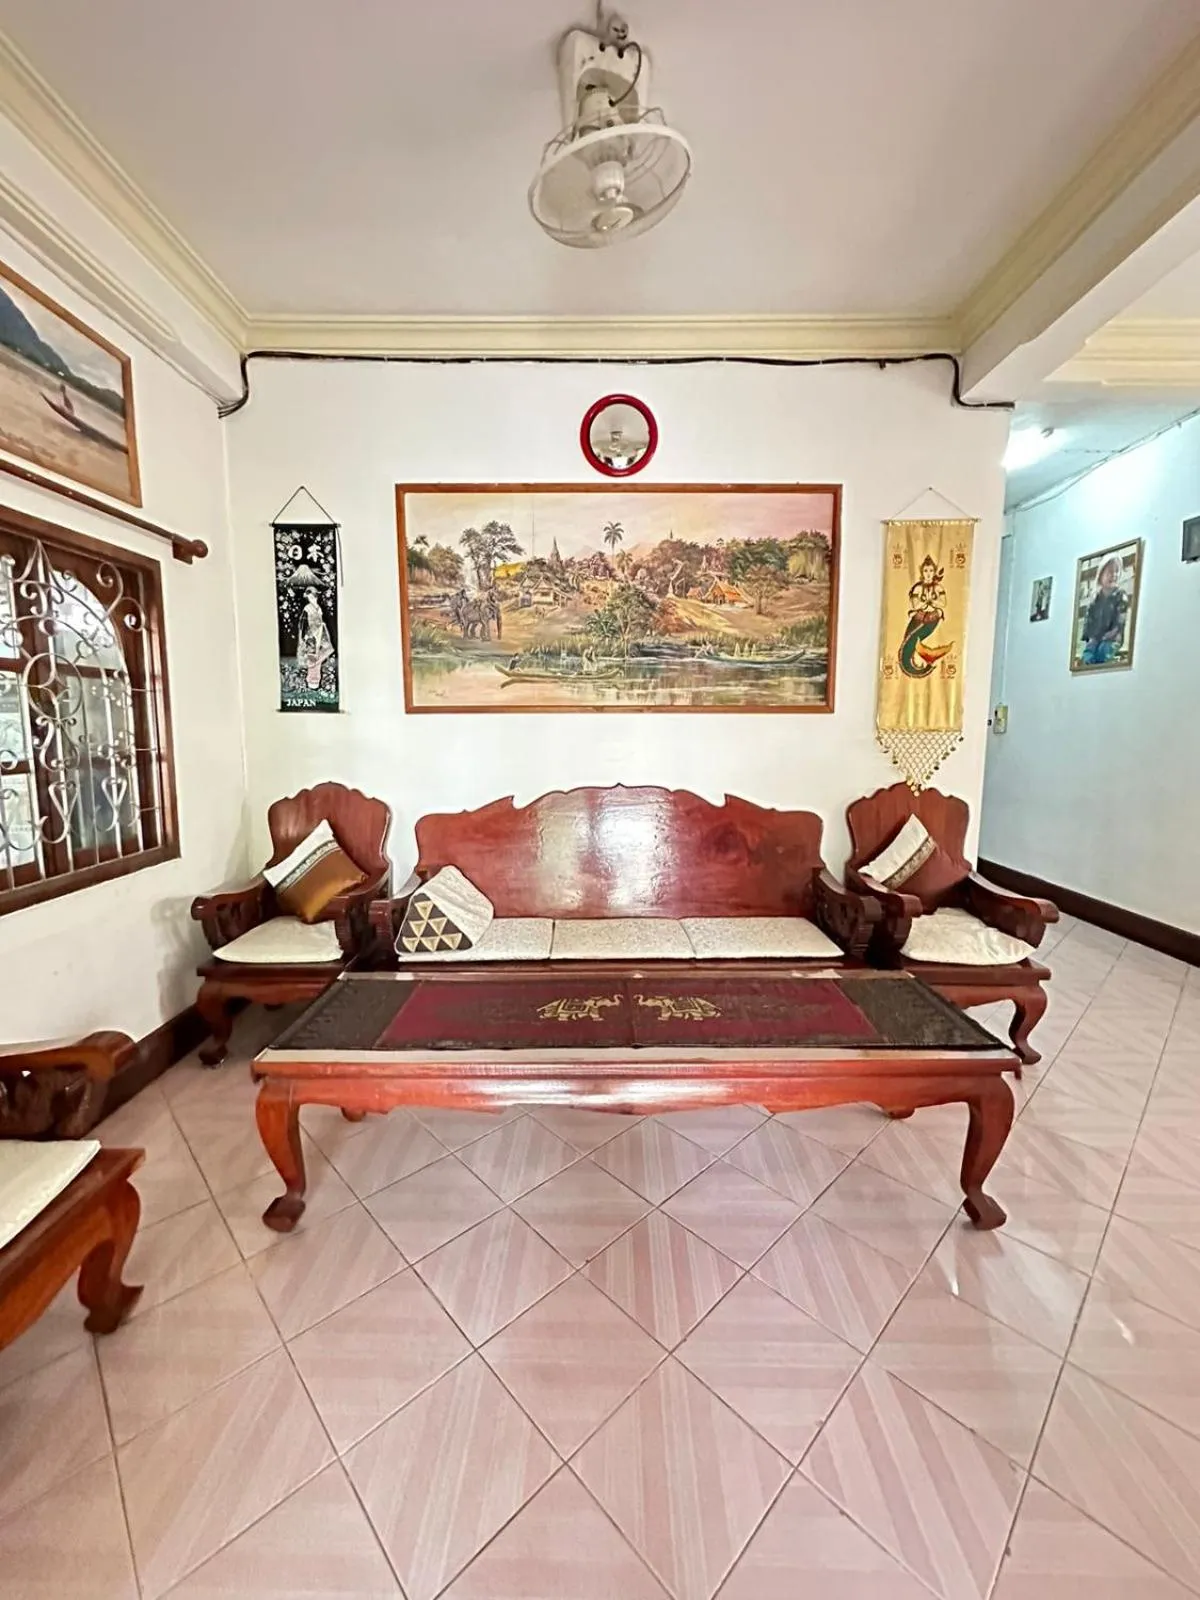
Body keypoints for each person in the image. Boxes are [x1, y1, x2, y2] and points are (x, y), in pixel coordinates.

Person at [1080, 555, 1128, 666]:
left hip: (1113, 637)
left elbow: (1121, 619)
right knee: (1088, 654)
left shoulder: (1120, 596)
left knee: (1103, 651)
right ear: (1101, 575)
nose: (1114, 575)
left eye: (1117, 572)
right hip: (1096, 636)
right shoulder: (1095, 598)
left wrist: (1112, 633)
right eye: (1110, 572)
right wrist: (1091, 637)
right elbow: (1089, 619)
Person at [297, 587, 334, 689]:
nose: (312, 598)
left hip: (319, 633)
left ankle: (315, 678)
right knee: (313, 656)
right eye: (310, 596)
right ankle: (313, 680)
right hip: (310, 635)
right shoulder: (307, 608)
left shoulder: (318, 607)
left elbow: (320, 619)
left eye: (313, 596)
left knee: (322, 652)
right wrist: (303, 636)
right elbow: (302, 623)